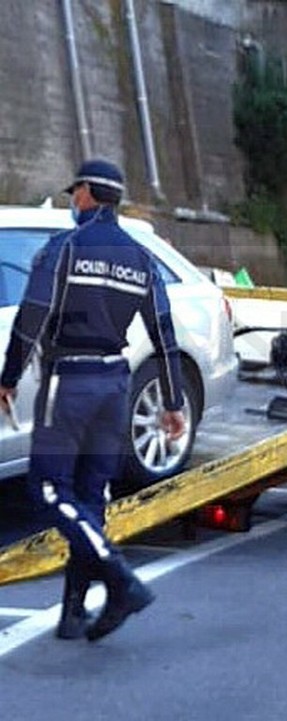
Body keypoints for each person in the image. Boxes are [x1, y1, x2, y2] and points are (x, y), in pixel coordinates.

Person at [0, 159, 186, 641]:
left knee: (47, 491)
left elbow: (32, 315)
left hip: (69, 381)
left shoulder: (65, 247)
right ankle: (73, 613)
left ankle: (120, 580)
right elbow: (163, 333)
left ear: (86, 193)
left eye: (73, 194)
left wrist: (8, 377)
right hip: (116, 385)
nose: (70, 202)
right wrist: (172, 401)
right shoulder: (142, 259)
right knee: (89, 496)